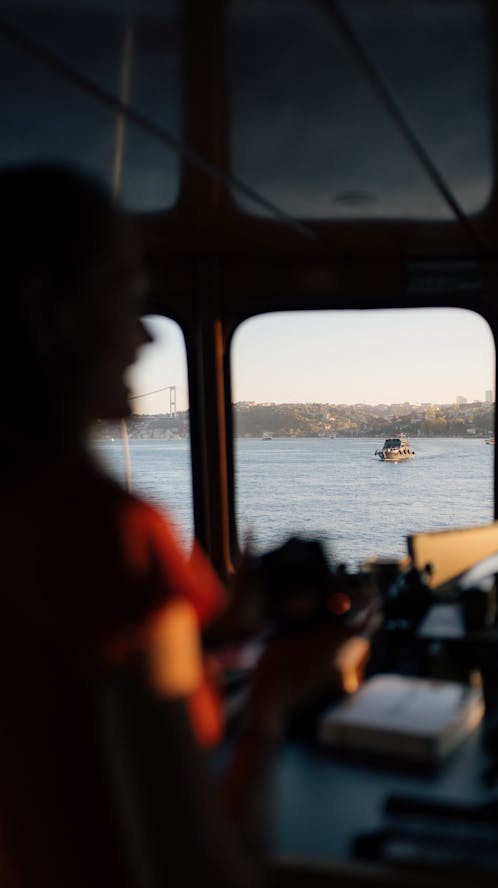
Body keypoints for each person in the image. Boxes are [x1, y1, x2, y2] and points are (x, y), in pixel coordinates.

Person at [0, 164, 374, 887]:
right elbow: (198, 873)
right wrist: (272, 700)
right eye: (128, 292)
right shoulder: (105, 530)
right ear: (51, 311)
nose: (144, 336)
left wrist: (218, 633)